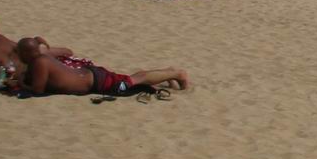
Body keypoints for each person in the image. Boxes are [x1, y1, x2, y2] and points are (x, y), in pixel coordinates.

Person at [16, 38, 190, 97]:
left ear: (26, 53)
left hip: (98, 82)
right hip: (92, 76)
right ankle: (168, 72)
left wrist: (20, 82)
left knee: (133, 81)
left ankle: (177, 74)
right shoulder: (44, 56)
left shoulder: (40, 62)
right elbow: (66, 51)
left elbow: (37, 90)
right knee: (132, 79)